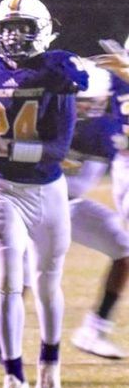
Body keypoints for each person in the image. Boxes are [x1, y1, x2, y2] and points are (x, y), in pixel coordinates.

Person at [0, 0, 87, 388]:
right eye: (7, 29)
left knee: (48, 283)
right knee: (7, 283)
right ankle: (12, 382)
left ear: (44, 30)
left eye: (23, 28)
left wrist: (4, 145)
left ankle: (50, 366)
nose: (14, 38)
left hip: (47, 192)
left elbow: (57, 150)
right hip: (2, 189)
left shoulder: (58, 73)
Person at [64, 60, 129, 360]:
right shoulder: (100, 128)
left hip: (68, 206)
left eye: (90, 102)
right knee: (25, 274)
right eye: (79, 101)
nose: (84, 108)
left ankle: (94, 329)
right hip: (31, 205)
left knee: (124, 252)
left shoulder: (102, 127)